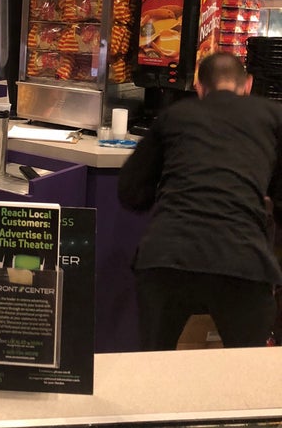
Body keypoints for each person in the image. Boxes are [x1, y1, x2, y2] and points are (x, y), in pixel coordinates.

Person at [118, 52, 282, 351]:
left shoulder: (175, 115)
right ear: (248, 85)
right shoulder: (273, 116)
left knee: (154, 362)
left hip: (167, 256)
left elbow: (131, 193)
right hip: (243, 259)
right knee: (247, 366)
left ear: (199, 87)